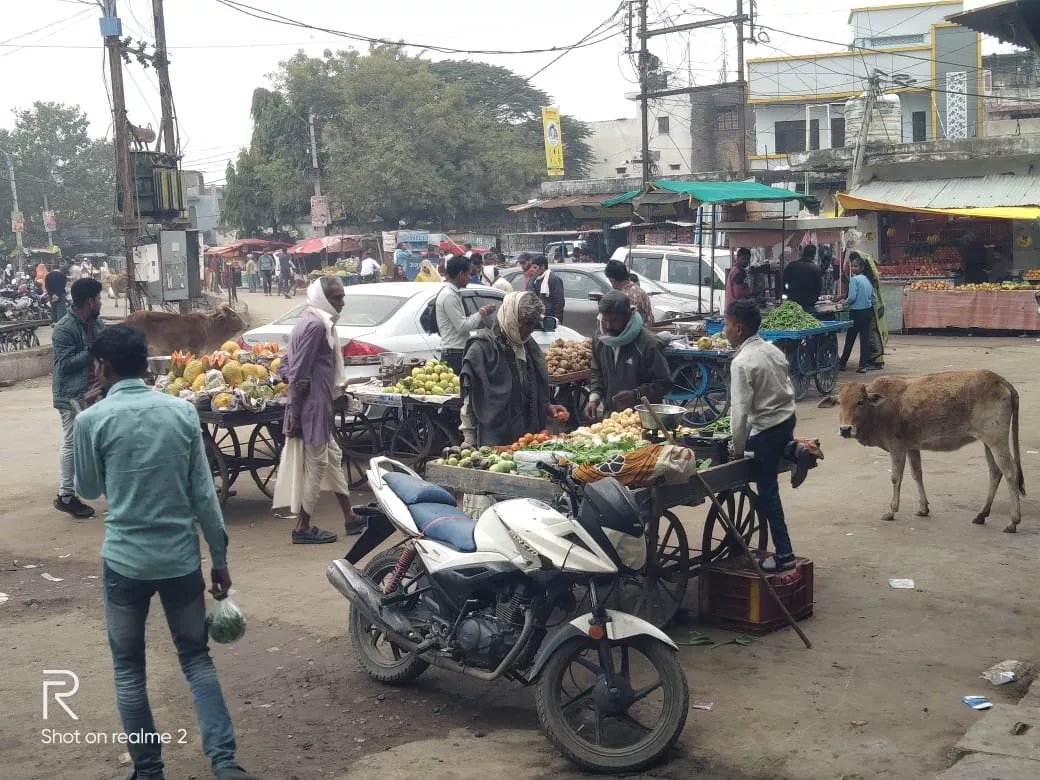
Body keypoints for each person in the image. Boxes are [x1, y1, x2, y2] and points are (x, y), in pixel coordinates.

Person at [72, 324, 258, 780]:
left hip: (125, 563)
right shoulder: (182, 413)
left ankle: (149, 770)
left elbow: (88, 489)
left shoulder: (92, 420)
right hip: (180, 561)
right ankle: (225, 764)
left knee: (128, 670)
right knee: (196, 659)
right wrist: (219, 560)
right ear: (144, 363)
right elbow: (205, 496)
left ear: (103, 367)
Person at [723, 299, 816, 572]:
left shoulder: (741, 362)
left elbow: (739, 412)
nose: (724, 330)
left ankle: (784, 554)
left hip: (766, 431)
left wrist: (737, 449)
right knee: (770, 444)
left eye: (727, 325)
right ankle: (793, 449)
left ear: (739, 328)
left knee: (768, 495)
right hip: (787, 420)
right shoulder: (772, 350)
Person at [273, 277, 365, 544]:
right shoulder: (315, 326)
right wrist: (295, 414)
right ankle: (302, 526)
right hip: (311, 407)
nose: (342, 303)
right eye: (337, 298)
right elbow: (298, 373)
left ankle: (350, 516)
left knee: (333, 457)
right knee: (318, 464)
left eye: (342, 297)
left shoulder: (313, 321)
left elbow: (285, 364)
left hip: (318, 404)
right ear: (324, 299)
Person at [460, 291, 566, 447]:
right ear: (512, 319)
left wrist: (548, 407)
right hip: (496, 440)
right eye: (528, 323)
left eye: (534, 324)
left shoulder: (528, 347)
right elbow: (469, 401)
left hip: (528, 438)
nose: (531, 329)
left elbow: (528, 391)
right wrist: (469, 438)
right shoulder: (482, 349)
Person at [52, 277, 106, 519]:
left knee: (103, 439)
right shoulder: (63, 329)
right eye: (99, 298)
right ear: (90, 301)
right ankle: (65, 496)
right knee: (73, 443)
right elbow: (66, 364)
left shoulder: (97, 323)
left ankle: (110, 487)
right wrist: (93, 350)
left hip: (97, 390)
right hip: (72, 395)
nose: (101, 302)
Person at [584, 291, 670, 419]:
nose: (608, 326)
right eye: (605, 320)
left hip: (644, 417)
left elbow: (664, 383)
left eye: (614, 321)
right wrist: (594, 398)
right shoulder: (600, 339)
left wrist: (636, 394)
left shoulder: (649, 343)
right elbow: (597, 372)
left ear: (627, 316)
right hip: (612, 417)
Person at [436, 255, 496, 374]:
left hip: (457, 352)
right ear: (461, 274)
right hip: (454, 354)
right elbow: (462, 326)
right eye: (468, 274)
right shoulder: (449, 296)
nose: (470, 278)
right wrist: (482, 312)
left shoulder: (453, 294)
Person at [839, 254, 882, 373]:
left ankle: (842, 363)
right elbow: (874, 299)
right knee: (864, 340)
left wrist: (844, 303)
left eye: (856, 266)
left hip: (856, 313)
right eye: (852, 266)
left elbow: (852, 297)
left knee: (850, 339)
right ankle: (863, 365)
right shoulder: (867, 280)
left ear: (862, 267)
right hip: (867, 313)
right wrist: (866, 302)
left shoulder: (854, 280)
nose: (853, 268)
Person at [604, 259, 654, 325]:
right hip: (647, 330)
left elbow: (625, 324)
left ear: (612, 280)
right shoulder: (641, 291)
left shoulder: (623, 298)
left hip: (635, 331)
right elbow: (651, 319)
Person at [782, 244, 822, 313]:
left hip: (792, 302)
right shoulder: (815, 269)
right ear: (814, 255)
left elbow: (783, 282)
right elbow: (818, 288)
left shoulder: (791, 266)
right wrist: (813, 300)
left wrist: (787, 293)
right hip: (808, 304)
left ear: (803, 253)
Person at [527, 255, 564, 323]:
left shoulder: (554, 280)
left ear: (543, 266)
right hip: (541, 316)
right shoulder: (537, 279)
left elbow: (559, 301)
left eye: (535, 267)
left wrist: (557, 319)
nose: (533, 270)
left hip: (551, 317)